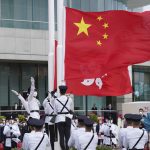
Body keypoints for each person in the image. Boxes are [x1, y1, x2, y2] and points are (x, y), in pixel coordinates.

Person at [54, 85, 73, 150]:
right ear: (66, 91)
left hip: (59, 119)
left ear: (59, 91)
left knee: (61, 137)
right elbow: (70, 109)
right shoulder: (69, 99)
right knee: (68, 136)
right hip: (67, 118)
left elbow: (55, 111)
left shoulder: (56, 100)